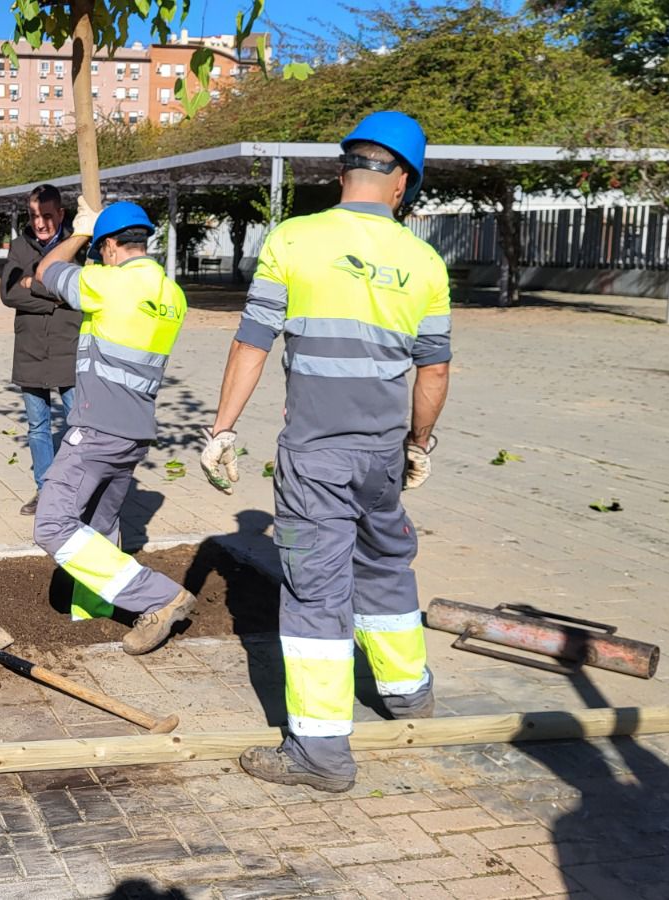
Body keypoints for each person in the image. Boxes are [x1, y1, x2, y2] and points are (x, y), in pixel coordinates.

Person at [200, 111, 451, 792]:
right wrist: (418, 444)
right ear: (402, 184)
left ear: (344, 172)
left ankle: (319, 752)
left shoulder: (294, 239)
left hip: (316, 457)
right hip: (382, 457)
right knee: (386, 564)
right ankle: (407, 693)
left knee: (316, 595)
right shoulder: (425, 262)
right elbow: (433, 371)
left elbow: (252, 342)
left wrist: (223, 429)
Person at [30, 197, 196, 655]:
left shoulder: (109, 284)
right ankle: (93, 609)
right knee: (99, 526)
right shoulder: (173, 295)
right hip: (135, 432)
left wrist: (79, 232)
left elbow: (46, 270)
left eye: (99, 249)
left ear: (109, 247)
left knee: (53, 525)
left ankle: (160, 597)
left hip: (96, 429)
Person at [1, 184, 82, 516]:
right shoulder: (20, 246)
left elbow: (81, 290)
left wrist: (33, 284)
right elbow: (9, 293)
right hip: (30, 350)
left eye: (47, 216)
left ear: (60, 214)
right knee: (37, 426)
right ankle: (45, 491)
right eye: (34, 215)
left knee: (79, 425)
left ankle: (78, 489)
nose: (40, 223)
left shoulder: (78, 245)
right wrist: (55, 296)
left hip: (69, 348)